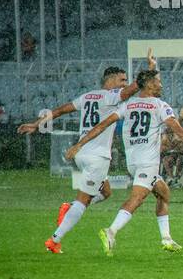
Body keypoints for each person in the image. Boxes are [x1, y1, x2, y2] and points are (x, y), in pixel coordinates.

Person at [64, 69, 183, 256]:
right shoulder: (159, 105)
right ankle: (111, 231)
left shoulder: (127, 105)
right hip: (148, 162)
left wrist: (80, 144)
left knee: (164, 193)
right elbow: (178, 130)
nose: (161, 85)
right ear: (149, 84)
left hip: (133, 162)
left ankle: (167, 239)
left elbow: (102, 125)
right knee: (137, 199)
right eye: (158, 82)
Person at [15, 52, 155, 253]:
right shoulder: (111, 97)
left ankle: (69, 207)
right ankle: (54, 240)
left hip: (82, 154)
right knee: (84, 201)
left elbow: (61, 110)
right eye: (122, 80)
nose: (125, 83)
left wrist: (37, 124)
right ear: (111, 80)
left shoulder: (87, 96)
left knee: (106, 191)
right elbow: (136, 86)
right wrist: (150, 68)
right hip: (97, 156)